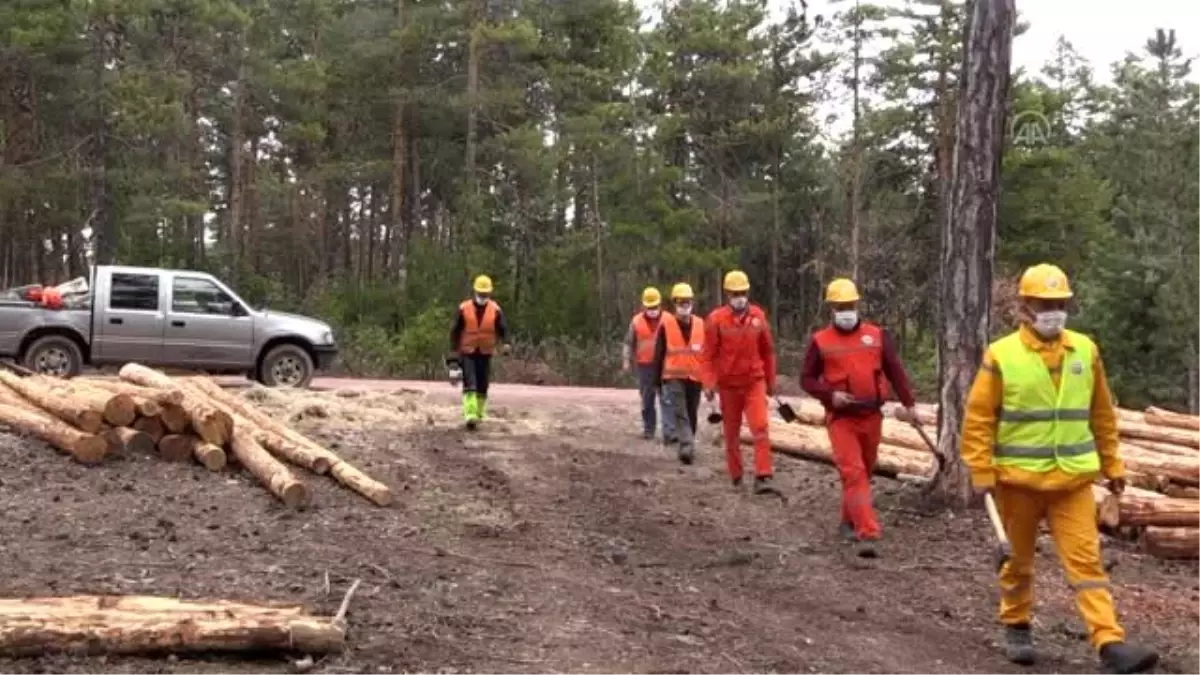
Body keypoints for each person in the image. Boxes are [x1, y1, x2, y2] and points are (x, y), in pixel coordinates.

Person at [961, 263, 1157, 674]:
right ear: (1024, 308)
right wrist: (981, 469)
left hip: (1072, 481)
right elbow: (978, 419)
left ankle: (1109, 642)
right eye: (1045, 303)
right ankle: (1016, 623)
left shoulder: (1085, 350)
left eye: (1060, 303)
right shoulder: (1001, 355)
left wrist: (1113, 463)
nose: (1053, 310)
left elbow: (1102, 413)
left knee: (1087, 563)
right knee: (1017, 560)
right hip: (1019, 482)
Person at [800, 278, 917, 558]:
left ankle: (847, 520)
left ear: (857, 305)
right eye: (840, 306)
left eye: (849, 305)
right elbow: (806, 379)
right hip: (842, 419)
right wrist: (830, 395)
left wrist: (909, 404)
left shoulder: (877, 336)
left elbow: (895, 371)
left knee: (864, 471)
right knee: (853, 472)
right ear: (831, 309)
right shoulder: (820, 341)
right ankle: (868, 531)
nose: (846, 311)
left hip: (872, 415)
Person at [700, 270, 778, 494]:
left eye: (743, 293)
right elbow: (708, 355)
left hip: (754, 381)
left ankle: (764, 475)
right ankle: (736, 475)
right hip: (728, 386)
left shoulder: (758, 317)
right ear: (727, 294)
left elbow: (768, 351)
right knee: (731, 433)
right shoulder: (716, 320)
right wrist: (708, 382)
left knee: (760, 427)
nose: (740, 297)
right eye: (735, 293)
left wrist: (771, 381)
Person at [652, 282, 704, 464]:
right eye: (681, 302)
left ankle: (688, 441)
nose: (685, 305)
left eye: (687, 301)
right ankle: (687, 446)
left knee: (692, 412)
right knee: (680, 411)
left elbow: (707, 353)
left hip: (695, 377)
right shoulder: (666, 325)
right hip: (673, 377)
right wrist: (656, 380)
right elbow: (658, 354)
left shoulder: (700, 324)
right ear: (675, 303)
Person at [450, 274, 509, 430]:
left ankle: (479, 413)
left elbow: (503, 329)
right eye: (481, 293)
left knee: (483, 384)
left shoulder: (496, 310)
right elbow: (455, 331)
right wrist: (454, 353)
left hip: (485, 351)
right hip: (467, 351)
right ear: (475, 291)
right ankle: (470, 415)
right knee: (470, 382)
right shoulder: (464, 308)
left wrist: (506, 343)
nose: (483, 296)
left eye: (486, 293)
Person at [623, 287, 674, 442]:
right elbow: (628, 342)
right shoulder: (636, 321)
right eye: (649, 307)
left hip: (665, 365)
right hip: (645, 366)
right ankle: (649, 430)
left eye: (655, 307)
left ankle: (669, 432)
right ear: (643, 306)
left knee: (667, 398)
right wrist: (626, 360)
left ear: (660, 305)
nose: (652, 310)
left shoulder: (669, 320)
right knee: (647, 398)